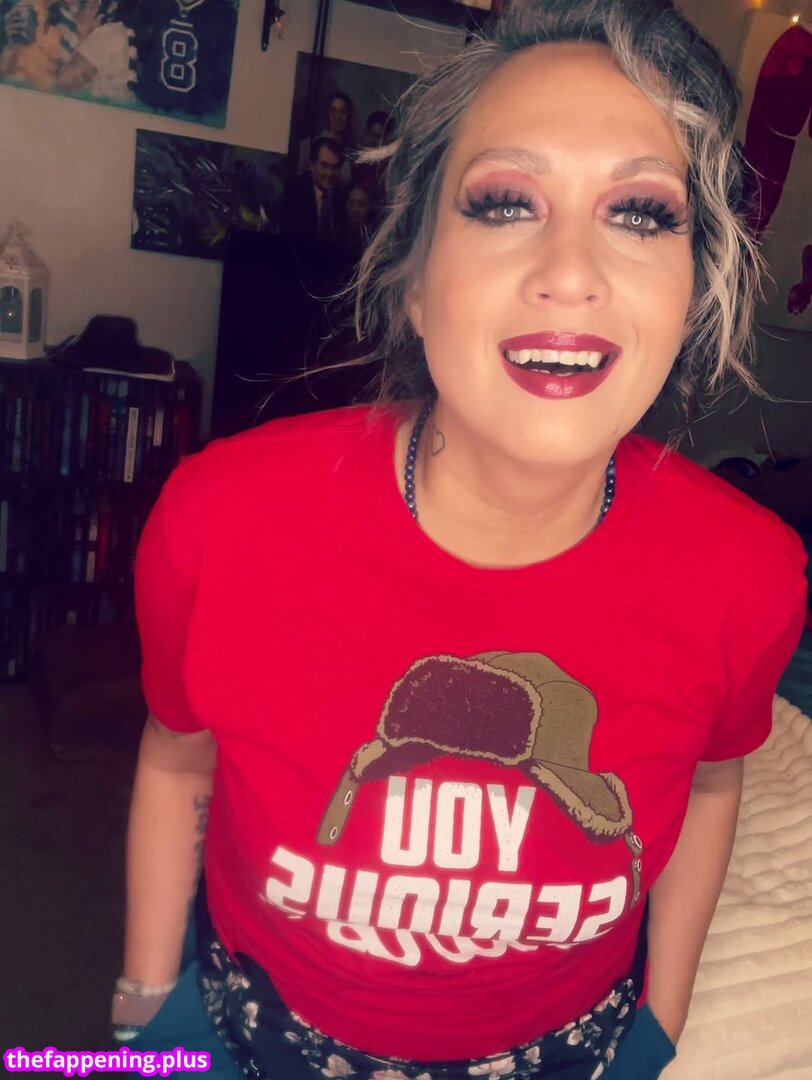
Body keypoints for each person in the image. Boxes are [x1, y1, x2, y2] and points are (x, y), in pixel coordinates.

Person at [118, 2, 808, 1079]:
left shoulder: (750, 573)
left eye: (640, 213)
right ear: (410, 279)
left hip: (567, 1047)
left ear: (693, 293)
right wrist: (146, 1011)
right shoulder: (221, 517)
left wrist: (658, 1026)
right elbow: (175, 760)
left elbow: (713, 785)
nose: (570, 272)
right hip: (258, 1024)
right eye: (503, 202)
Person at [281, 136, 346, 244]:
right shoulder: (293, 191)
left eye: (335, 167)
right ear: (311, 164)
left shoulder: (341, 194)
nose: (330, 173)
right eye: (324, 165)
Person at [297, 89, 355, 181]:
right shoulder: (308, 145)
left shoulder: (351, 151)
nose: (338, 117)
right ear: (327, 113)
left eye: (343, 112)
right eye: (333, 111)